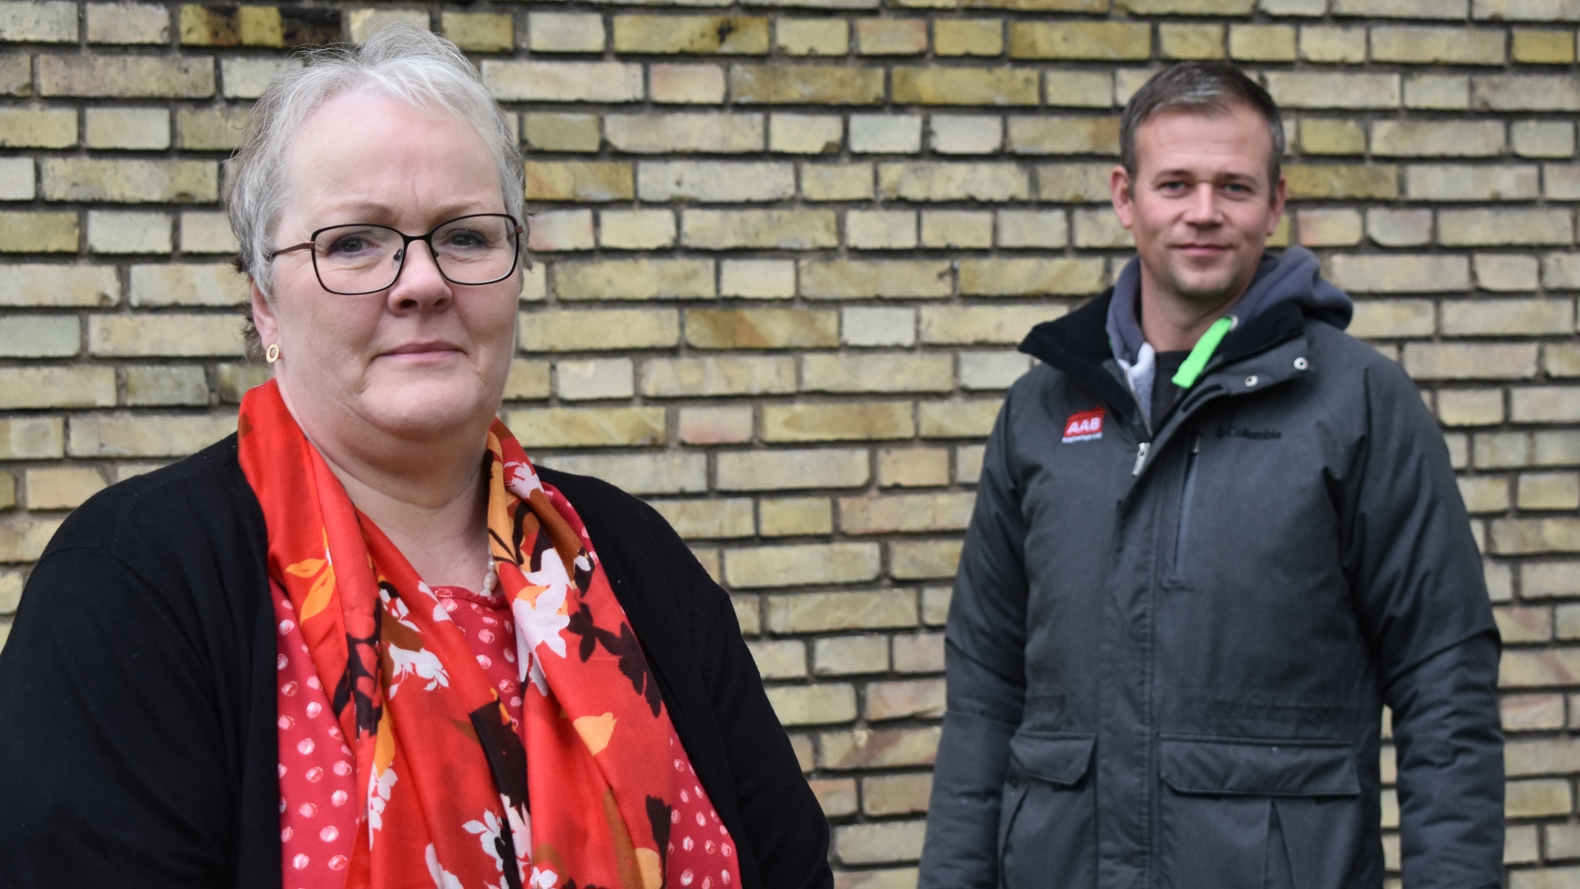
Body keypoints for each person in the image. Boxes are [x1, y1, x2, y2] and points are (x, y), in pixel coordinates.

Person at [0, 25, 831, 889]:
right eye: (354, 242)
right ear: (266, 307)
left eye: (465, 236)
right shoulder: (132, 585)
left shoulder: (632, 558)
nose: (422, 280)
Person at [918, 62, 1503, 889]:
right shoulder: (1041, 412)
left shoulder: (1359, 402)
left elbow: (1442, 677)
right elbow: (984, 686)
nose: (1203, 212)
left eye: (1233, 186)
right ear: (1126, 197)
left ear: (1275, 202)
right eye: (1176, 183)